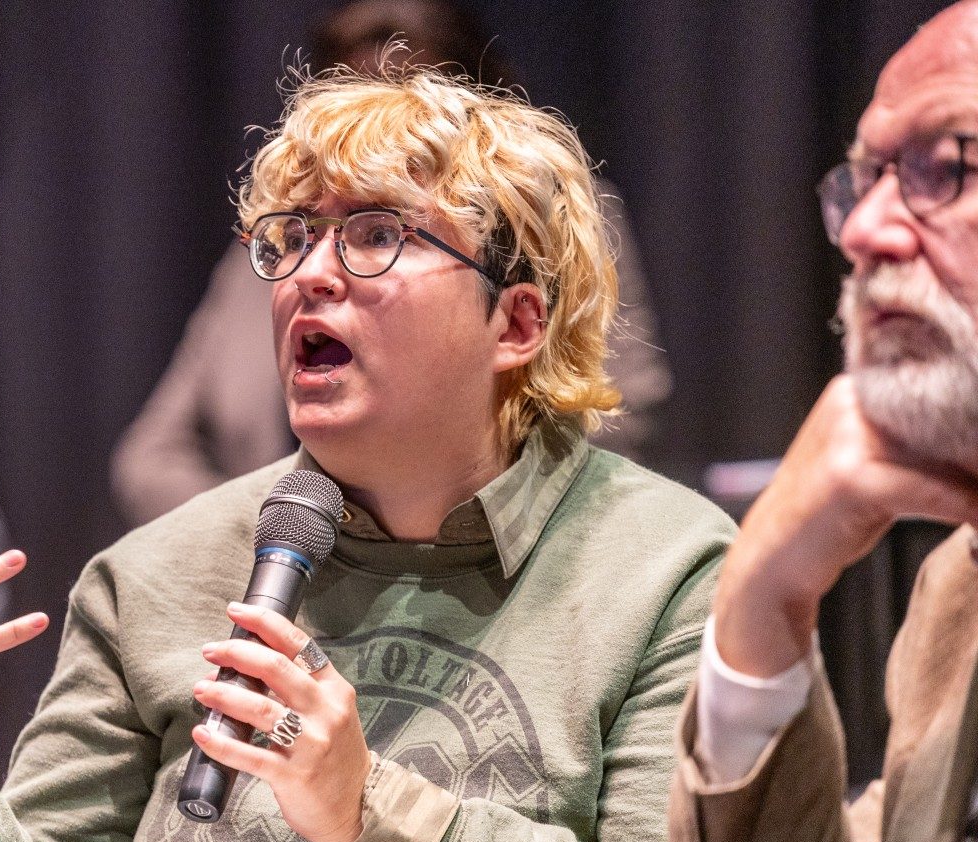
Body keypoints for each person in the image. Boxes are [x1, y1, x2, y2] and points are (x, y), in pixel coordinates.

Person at [0, 66, 733, 842]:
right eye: (293, 239)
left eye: (376, 233)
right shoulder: (152, 578)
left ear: (514, 324)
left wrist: (370, 806)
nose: (311, 274)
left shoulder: (668, 573)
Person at [110, 0, 672, 528]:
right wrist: (290, 530)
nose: (315, 271)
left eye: (380, 234)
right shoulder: (276, 253)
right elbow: (152, 457)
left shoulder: (548, 225)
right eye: (347, 107)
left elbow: (613, 409)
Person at [667, 2, 978, 842]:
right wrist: (759, 603)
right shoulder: (958, 591)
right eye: (870, 177)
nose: (868, 232)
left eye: (948, 165)